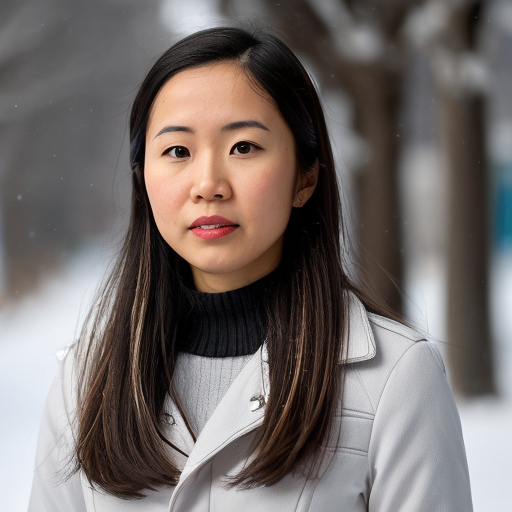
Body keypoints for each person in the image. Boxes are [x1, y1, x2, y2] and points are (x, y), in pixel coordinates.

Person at [28, 26, 473, 511]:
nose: (208, 184)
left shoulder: (395, 380)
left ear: (306, 176)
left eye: (243, 146)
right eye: (177, 151)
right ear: (143, 183)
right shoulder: (86, 381)